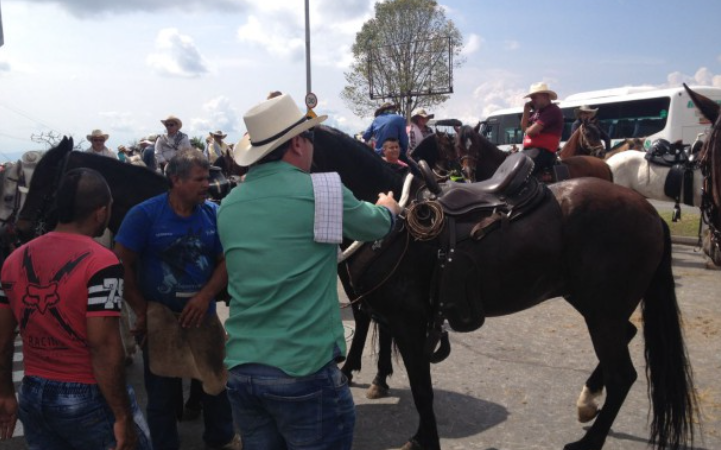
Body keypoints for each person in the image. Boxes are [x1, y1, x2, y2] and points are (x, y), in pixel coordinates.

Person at [218, 93, 401, 450]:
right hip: (302, 373)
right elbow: (376, 227)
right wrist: (389, 207)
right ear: (298, 143)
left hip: (242, 371)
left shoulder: (228, 205)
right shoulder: (323, 191)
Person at [0, 168, 151, 449]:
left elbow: (3, 338)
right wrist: (121, 416)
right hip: (87, 395)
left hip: (33, 392)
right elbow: (103, 345)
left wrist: (7, 392)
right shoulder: (102, 263)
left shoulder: (13, 260)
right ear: (100, 212)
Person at [114, 149, 238, 450]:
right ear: (175, 180)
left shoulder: (212, 214)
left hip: (203, 316)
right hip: (161, 319)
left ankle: (221, 440)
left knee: (215, 384)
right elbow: (122, 263)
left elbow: (225, 262)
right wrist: (142, 311)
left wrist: (205, 296)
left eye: (207, 177)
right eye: (199, 178)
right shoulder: (144, 215)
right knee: (162, 393)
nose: (206, 184)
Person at [520, 82, 564, 175]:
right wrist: (526, 109)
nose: (532, 100)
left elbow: (530, 132)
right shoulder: (538, 112)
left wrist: (528, 130)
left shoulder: (552, 110)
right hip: (534, 151)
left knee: (520, 172)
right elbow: (524, 127)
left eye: (534, 97)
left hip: (543, 152)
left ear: (544, 96)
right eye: (531, 98)